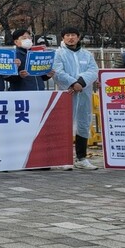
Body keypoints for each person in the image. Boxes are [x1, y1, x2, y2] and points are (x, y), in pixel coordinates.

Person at [53, 26, 100, 170]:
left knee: (84, 124)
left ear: (78, 37)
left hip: (84, 93)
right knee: (64, 124)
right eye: (67, 35)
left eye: (73, 35)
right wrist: (72, 83)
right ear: (63, 38)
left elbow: (93, 70)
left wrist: (81, 82)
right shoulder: (58, 54)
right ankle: (62, 159)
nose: (70, 38)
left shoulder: (87, 55)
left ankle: (81, 158)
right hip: (67, 93)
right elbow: (57, 72)